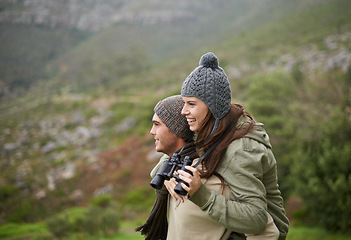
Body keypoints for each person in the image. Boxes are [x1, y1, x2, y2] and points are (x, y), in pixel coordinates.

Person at [163, 52, 289, 240]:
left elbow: (257, 219)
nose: (184, 111)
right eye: (183, 103)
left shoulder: (241, 149)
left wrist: (201, 195)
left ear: (213, 107)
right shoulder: (212, 134)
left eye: (191, 104)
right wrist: (169, 177)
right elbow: (177, 155)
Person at [136, 95, 197, 240]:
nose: (152, 131)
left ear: (176, 130)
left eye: (157, 124)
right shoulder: (169, 173)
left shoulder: (192, 176)